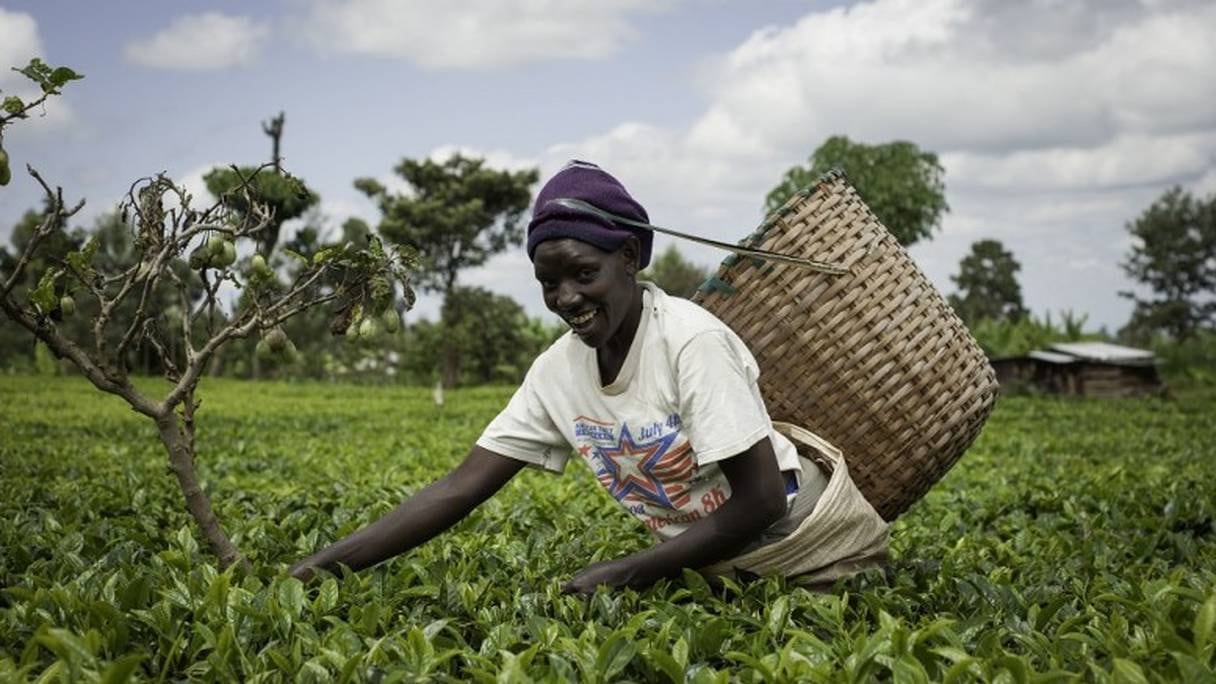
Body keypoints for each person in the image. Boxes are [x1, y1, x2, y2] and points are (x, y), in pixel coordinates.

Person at [291, 161, 889, 593]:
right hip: (713, 565)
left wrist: (626, 573)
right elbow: (459, 489)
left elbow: (760, 499)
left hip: (810, 545)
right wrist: (312, 571)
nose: (566, 298)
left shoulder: (690, 341)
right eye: (548, 283)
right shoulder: (557, 371)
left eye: (583, 274)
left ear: (628, 257)